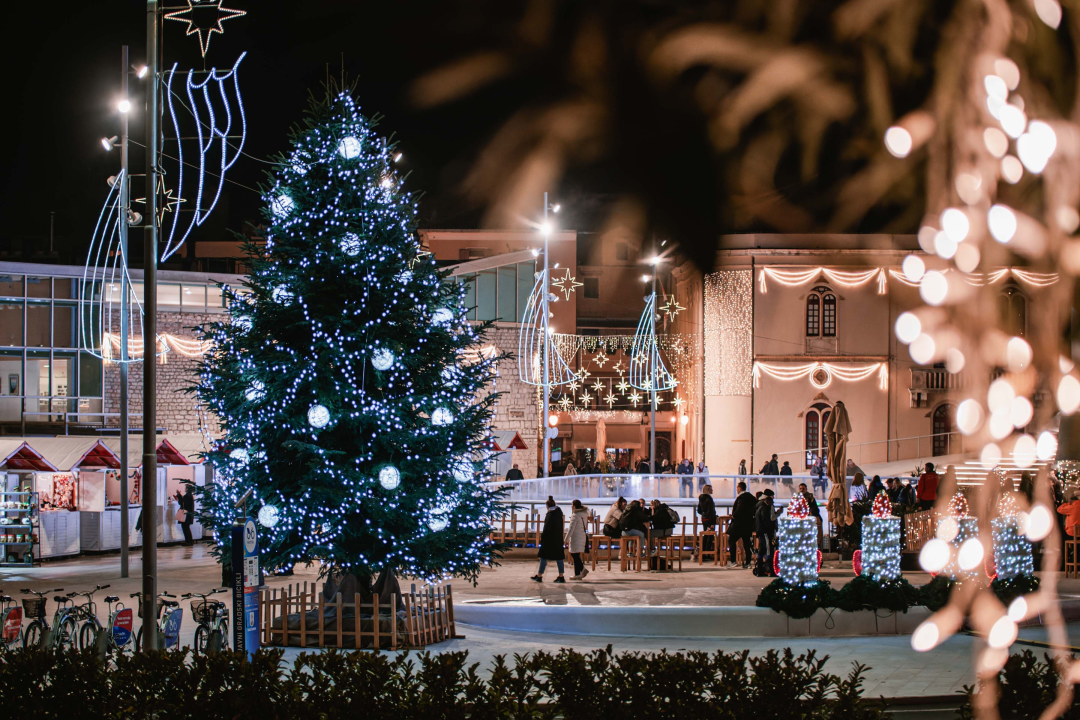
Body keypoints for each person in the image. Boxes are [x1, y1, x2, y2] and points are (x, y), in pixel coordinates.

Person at [531, 497, 566, 583]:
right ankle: (561, 576)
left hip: (549, 540)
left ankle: (539, 575)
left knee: (543, 556)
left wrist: (543, 538)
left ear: (547, 506)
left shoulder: (550, 514)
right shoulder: (558, 513)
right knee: (559, 557)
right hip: (557, 539)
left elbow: (546, 528)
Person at [728, 481, 756, 569]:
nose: (737, 489)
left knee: (731, 540)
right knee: (747, 543)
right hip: (748, 524)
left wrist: (733, 515)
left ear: (739, 488)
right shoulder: (752, 498)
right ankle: (748, 562)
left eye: (737, 488)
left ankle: (733, 561)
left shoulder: (741, 498)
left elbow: (739, 509)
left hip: (739, 524)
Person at [564, 499, 590, 580]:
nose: (571, 506)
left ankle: (582, 569)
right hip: (582, 536)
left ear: (574, 506)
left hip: (576, 537)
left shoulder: (575, 515)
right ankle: (577, 574)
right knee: (576, 554)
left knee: (574, 554)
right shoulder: (584, 514)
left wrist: (566, 539)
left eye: (572, 505)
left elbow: (571, 529)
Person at [754, 489, 777, 576]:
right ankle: (771, 570)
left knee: (762, 549)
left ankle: (760, 570)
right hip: (765, 532)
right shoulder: (765, 507)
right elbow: (767, 520)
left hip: (760, 531)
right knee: (768, 550)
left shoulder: (759, 505)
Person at [798, 482, 822, 548]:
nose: (801, 490)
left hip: (810, 520)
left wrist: (810, 512)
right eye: (800, 489)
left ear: (806, 489)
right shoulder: (797, 498)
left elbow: (815, 509)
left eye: (803, 488)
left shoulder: (811, 498)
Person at [698, 484, 717, 552]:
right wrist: (713, 521)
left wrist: (704, 514)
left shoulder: (700, 498)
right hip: (710, 519)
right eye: (711, 489)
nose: (712, 490)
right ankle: (708, 552)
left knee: (705, 535)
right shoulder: (709, 499)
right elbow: (711, 510)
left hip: (704, 519)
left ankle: (703, 551)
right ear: (708, 490)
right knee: (711, 536)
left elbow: (699, 510)